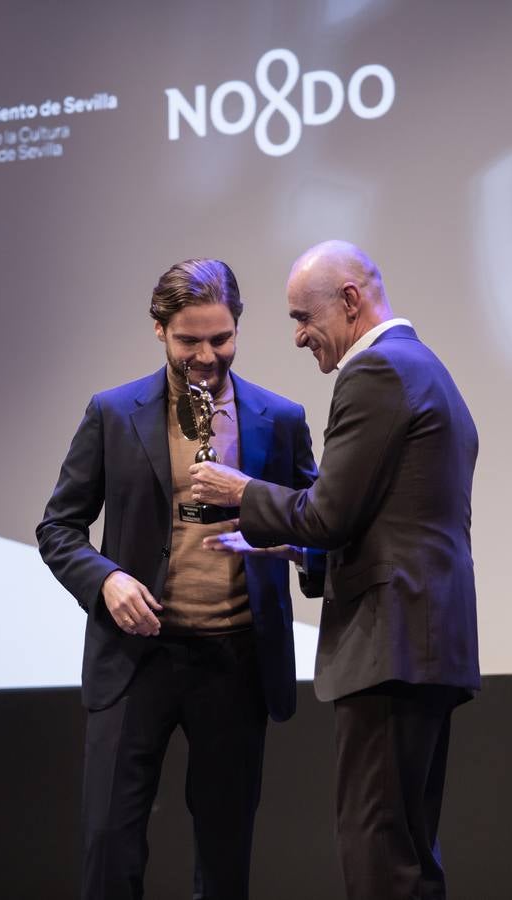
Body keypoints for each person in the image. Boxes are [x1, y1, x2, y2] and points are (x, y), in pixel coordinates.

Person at [190, 241, 480, 900]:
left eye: (301, 317)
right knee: (405, 851)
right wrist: (291, 547)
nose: (296, 337)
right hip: (423, 646)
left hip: (392, 644)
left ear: (349, 301)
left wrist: (242, 492)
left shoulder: (375, 370)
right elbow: (379, 517)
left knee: (376, 849)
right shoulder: (423, 366)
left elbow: (328, 514)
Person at [36, 258, 323, 900]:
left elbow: (323, 525)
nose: (206, 355)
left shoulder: (279, 418)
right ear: (159, 330)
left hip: (236, 658)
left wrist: (293, 547)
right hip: (136, 658)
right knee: (110, 846)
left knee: (225, 857)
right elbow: (57, 528)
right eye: (189, 339)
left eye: (220, 338)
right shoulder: (113, 413)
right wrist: (106, 580)